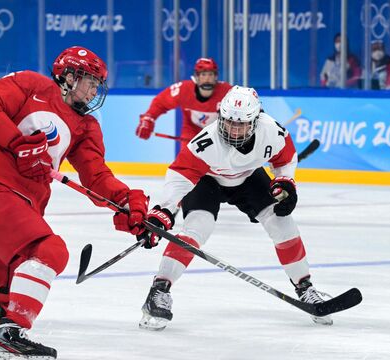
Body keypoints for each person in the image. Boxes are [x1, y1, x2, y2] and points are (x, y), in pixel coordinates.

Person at [0, 46, 150, 359]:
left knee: (1, 303)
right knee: (49, 250)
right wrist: (18, 143)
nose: (94, 91)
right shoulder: (30, 85)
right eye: (90, 81)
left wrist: (131, 204)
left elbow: (97, 177)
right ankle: (12, 335)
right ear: (70, 76)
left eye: (97, 85)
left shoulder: (85, 127)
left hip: (19, 209)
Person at [135, 85, 334, 331]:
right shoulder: (206, 142)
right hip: (208, 180)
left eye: (241, 125)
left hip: (248, 177)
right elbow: (179, 175)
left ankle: (305, 287)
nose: (234, 130)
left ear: (255, 120)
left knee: (282, 222)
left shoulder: (271, 131)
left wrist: (285, 182)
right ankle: (159, 290)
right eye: (229, 123)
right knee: (198, 227)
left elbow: (285, 158)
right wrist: (164, 210)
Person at [135, 58, 233, 150]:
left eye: (210, 74)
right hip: (192, 132)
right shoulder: (183, 89)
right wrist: (148, 119)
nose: (207, 79)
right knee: (187, 162)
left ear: (216, 76)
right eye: (203, 75)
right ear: (196, 77)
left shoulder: (228, 92)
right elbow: (160, 103)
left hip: (220, 134)